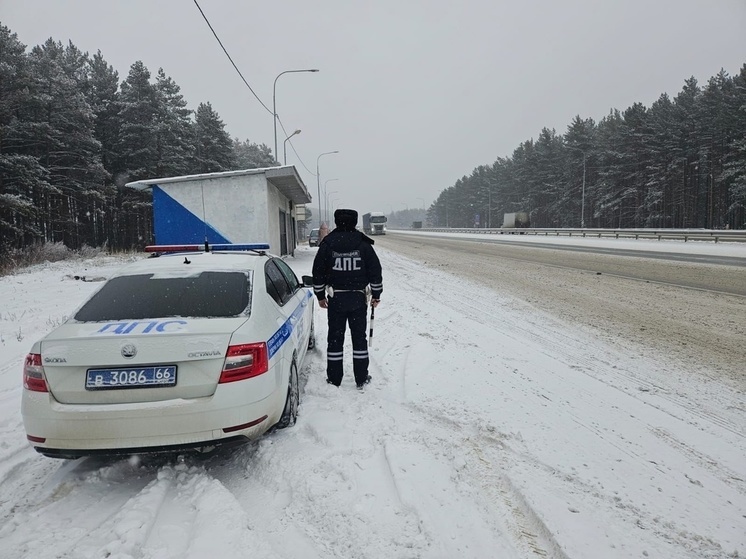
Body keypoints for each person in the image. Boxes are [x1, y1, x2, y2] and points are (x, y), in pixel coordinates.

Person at [312, 209, 383, 389]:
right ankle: (361, 377)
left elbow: (318, 272)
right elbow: (375, 271)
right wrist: (376, 294)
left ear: (336, 221)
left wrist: (320, 295)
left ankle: (334, 379)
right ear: (355, 221)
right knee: (359, 339)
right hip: (358, 298)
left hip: (336, 299)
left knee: (335, 338)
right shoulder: (364, 244)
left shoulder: (328, 244)